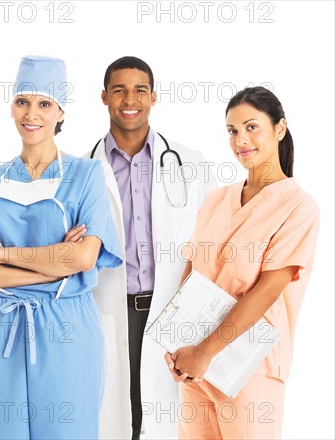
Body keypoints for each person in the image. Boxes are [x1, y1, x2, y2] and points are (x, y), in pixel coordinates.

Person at [0, 55, 123, 439]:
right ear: (12, 107)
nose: (32, 113)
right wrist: (52, 263)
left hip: (67, 330)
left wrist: (5, 255)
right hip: (1, 331)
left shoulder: (87, 175)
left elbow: (82, 257)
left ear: (61, 111)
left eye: (44, 103)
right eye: (23, 101)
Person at [165, 86, 320, 439]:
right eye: (232, 131)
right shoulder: (217, 200)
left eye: (252, 127)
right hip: (196, 367)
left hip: (251, 368)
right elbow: (192, 272)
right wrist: (178, 343)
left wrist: (205, 352)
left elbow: (265, 292)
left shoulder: (298, 208)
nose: (240, 140)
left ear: (280, 129)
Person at [87, 56, 217, 439]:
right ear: (104, 98)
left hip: (172, 314)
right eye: (119, 90)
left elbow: (208, 250)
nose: (130, 99)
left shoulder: (191, 165)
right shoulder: (82, 169)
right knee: (114, 419)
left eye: (140, 90)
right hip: (109, 311)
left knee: (169, 421)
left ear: (154, 97)